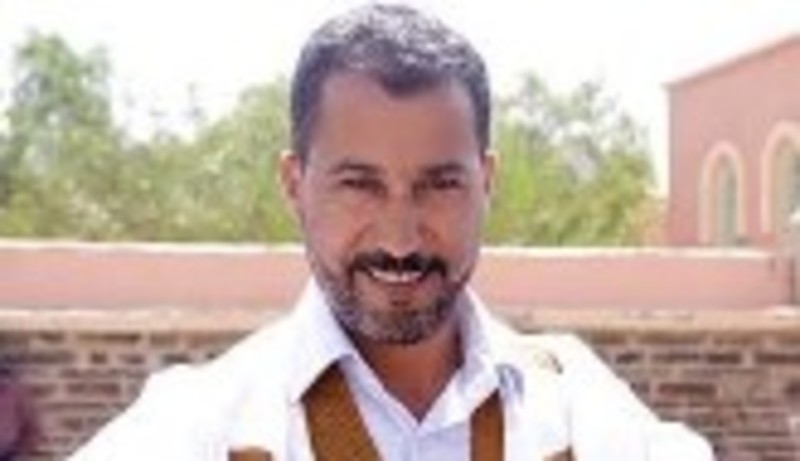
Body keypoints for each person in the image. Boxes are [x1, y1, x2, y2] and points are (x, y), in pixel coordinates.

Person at [69, 3, 715, 460]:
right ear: (295, 183)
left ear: (486, 181)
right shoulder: (202, 425)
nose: (402, 239)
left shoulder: (579, 409)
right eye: (360, 184)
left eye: (440, 183)